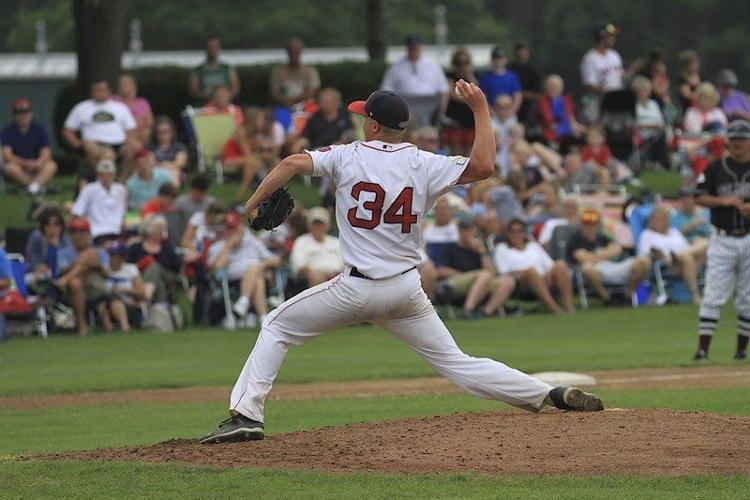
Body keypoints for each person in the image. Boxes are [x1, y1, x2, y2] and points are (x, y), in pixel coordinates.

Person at [200, 82, 602, 444]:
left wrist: (252, 204)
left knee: (276, 324)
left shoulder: (347, 156)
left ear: (374, 127)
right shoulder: (424, 163)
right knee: (457, 363)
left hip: (356, 289)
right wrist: (480, 109)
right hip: (407, 291)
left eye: (363, 117)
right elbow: (483, 166)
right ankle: (546, 393)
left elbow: (289, 164)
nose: (360, 122)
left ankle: (246, 415)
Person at [692, 119, 750, 361]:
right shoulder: (716, 167)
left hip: (749, 237)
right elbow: (698, 196)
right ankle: (703, 350)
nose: (737, 143)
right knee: (713, 293)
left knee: (748, 296)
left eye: (741, 138)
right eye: (733, 139)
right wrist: (725, 201)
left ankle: (740, 351)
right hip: (722, 237)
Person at [207, 211, 281, 324]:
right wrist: (229, 246)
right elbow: (217, 267)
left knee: (257, 276)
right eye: (229, 229)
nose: (233, 232)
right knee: (255, 269)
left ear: (241, 228)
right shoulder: (219, 246)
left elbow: (275, 260)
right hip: (232, 278)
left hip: (255, 275)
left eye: (235, 228)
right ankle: (262, 316)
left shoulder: (252, 242)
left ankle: (246, 305)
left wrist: (263, 265)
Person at [567, 208, 651, 304]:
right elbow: (582, 258)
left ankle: (627, 295)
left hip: (613, 266)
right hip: (596, 271)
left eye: (593, 225)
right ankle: (606, 297)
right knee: (587, 268)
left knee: (644, 262)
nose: (590, 228)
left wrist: (597, 255)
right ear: (582, 225)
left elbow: (617, 249)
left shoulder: (602, 238)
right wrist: (605, 253)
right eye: (587, 225)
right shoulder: (575, 240)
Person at [438, 216, 516, 318]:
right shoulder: (449, 247)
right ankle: (468, 310)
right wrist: (466, 276)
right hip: (456, 281)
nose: (465, 233)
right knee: (484, 275)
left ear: (473, 231)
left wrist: (482, 252)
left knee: (508, 280)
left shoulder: (478, 249)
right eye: (463, 229)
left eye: (468, 229)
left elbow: (491, 272)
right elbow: (440, 270)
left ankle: (486, 312)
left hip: (480, 282)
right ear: (458, 231)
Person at [492, 218, 574, 314]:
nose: (517, 235)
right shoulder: (502, 248)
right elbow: (503, 271)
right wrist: (526, 272)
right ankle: (553, 308)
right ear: (508, 234)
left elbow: (550, 265)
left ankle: (568, 306)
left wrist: (546, 275)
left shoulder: (534, 246)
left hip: (544, 279)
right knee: (531, 272)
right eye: (513, 231)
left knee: (560, 264)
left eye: (520, 231)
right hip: (521, 283)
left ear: (524, 233)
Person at [637, 205, 706, 305]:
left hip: (684, 258)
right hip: (667, 265)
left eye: (662, 218)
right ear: (651, 221)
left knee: (702, 243)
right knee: (687, 258)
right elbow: (645, 254)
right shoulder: (647, 234)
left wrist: (681, 254)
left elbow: (686, 247)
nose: (659, 221)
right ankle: (695, 295)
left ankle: (682, 256)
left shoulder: (674, 232)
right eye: (656, 219)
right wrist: (662, 256)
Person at [62, 79, 137, 170]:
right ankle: (102, 179)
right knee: (104, 153)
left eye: (102, 90)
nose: (99, 93)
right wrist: (78, 144)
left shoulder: (120, 107)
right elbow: (68, 130)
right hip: (94, 145)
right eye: (96, 90)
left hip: (118, 144)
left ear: (109, 91)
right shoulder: (81, 107)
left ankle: (122, 181)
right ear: (92, 92)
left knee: (132, 150)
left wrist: (128, 141)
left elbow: (131, 129)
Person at [54, 217, 110, 335]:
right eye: (74, 232)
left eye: (82, 232)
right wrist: (79, 262)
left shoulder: (99, 252)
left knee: (90, 255)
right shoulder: (63, 252)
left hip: (95, 287)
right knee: (75, 282)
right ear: (70, 235)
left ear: (89, 234)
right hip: (72, 290)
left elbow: (106, 275)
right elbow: (61, 270)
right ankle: (81, 325)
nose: (78, 236)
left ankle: (63, 281)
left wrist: (97, 266)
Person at [381, 35, 450, 127]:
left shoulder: (432, 64)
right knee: (409, 129)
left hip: (429, 103)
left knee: (427, 131)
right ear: (407, 48)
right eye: (411, 47)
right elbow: (386, 89)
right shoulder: (396, 66)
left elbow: (444, 89)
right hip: (406, 103)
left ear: (421, 47)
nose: (414, 49)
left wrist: (441, 114)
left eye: (416, 47)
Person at [1, 98, 58, 195]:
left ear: (31, 114)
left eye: (26, 112)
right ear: (14, 115)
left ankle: (31, 189)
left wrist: (39, 162)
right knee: (10, 168)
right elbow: (7, 155)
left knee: (51, 165)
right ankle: (38, 188)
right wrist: (26, 163)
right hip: (20, 167)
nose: (23, 116)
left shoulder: (39, 130)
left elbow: (46, 151)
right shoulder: (7, 132)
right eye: (19, 113)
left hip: (37, 166)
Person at [127, 215, 183, 306]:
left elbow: (177, 266)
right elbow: (129, 267)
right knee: (159, 283)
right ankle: (162, 311)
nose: (163, 232)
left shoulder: (167, 247)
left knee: (154, 267)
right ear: (151, 230)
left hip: (167, 276)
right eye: (160, 229)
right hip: (140, 279)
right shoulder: (135, 248)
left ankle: (146, 296)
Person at [580, 24, 629, 123]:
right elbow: (590, 86)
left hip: (616, 104)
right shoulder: (590, 59)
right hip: (599, 105)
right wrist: (607, 91)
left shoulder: (615, 55)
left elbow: (620, 77)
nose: (613, 39)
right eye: (610, 36)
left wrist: (627, 76)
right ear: (602, 38)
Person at [71, 159, 127, 246]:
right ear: (98, 175)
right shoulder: (89, 190)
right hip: (98, 231)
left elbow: (125, 211)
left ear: (114, 174)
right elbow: (77, 212)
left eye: (109, 174)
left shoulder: (120, 189)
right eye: (103, 174)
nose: (106, 177)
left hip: (118, 230)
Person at [269, 37, 321, 130]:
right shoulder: (278, 72)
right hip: (284, 107)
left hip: (306, 107)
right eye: (291, 51)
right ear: (287, 52)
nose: (293, 54)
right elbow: (274, 92)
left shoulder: (310, 71)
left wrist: (295, 102)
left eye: (296, 51)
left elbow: (312, 91)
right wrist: (287, 102)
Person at [101, 240, 148, 333]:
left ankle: (124, 327)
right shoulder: (103, 270)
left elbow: (141, 293)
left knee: (116, 301)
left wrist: (124, 290)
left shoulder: (131, 269)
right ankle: (110, 327)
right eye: (110, 254)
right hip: (107, 306)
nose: (111, 258)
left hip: (130, 306)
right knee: (104, 301)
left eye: (114, 255)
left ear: (123, 258)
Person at [289, 207, 344, 288]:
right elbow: (299, 265)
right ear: (308, 225)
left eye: (321, 224)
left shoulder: (335, 242)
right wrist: (316, 273)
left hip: (336, 276)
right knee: (315, 277)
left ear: (328, 226)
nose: (318, 227)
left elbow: (344, 265)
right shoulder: (301, 241)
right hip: (311, 277)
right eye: (315, 224)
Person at [24, 206, 74, 289]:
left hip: (61, 276)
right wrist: (38, 266)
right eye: (48, 224)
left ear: (61, 226)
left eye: (56, 224)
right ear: (43, 226)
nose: (52, 228)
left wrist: (57, 247)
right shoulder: (36, 238)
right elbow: (31, 261)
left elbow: (68, 264)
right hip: (38, 274)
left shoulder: (66, 241)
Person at [443, 47, 477, 155]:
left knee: (469, 151)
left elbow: (476, 91)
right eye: (460, 62)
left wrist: (469, 75)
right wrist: (468, 99)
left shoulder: (473, 77)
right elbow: (452, 94)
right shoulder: (450, 76)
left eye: (465, 62)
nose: (462, 65)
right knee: (456, 152)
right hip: (455, 116)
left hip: (469, 117)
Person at [538, 75, 586, 150]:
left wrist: (575, 124)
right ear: (547, 88)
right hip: (553, 128)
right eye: (551, 86)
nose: (554, 89)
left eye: (557, 86)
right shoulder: (543, 101)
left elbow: (571, 114)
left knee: (587, 133)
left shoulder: (566, 99)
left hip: (569, 126)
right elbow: (548, 120)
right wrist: (570, 128)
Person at [189, 34, 240, 104]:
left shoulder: (228, 69)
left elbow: (235, 88)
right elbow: (194, 91)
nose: (213, 49)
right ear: (206, 49)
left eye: (215, 46)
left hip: (225, 106)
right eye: (210, 46)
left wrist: (223, 97)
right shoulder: (197, 71)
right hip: (204, 107)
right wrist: (211, 97)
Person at [632, 76, 670, 169]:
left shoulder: (653, 104)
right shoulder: (633, 105)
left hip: (655, 133)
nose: (642, 92)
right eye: (640, 90)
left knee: (663, 134)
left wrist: (656, 127)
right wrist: (649, 126)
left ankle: (661, 162)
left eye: (645, 90)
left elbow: (660, 121)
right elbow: (632, 123)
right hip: (640, 134)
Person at [478, 47, 522, 115]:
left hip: (509, 114)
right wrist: (491, 112)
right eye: (496, 58)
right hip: (492, 114)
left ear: (505, 60)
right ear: (492, 60)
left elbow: (517, 96)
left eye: (501, 58)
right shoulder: (485, 78)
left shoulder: (512, 76)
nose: (498, 61)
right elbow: (482, 97)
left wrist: (511, 112)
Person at [112, 73, 153, 144]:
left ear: (134, 86)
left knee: (146, 132)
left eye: (127, 83)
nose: (123, 85)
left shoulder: (142, 102)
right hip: (119, 132)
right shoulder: (112, 100)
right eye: (122, 83)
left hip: (139, 133)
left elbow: (150, 122)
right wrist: (135, 120)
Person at [507, 41, 541, 125]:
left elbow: (538, 94)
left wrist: (519, 94)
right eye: (519, 52)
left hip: (528, 109)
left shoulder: (533, 70)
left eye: (523, 51)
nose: (521, 54)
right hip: (510, 108)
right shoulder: (510, 69)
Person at [148, 116, 188, 185]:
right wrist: (167, 165)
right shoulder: (150, 147)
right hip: (155, 172)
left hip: (175, 172)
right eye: (160, 132)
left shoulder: (179, 147)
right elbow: (151, 163)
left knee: (174, 172)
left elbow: (179, 164)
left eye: (166, 131)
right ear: (155, 133)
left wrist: (162, 165)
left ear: (172, 132)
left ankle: (171, 194)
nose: (163, 135)